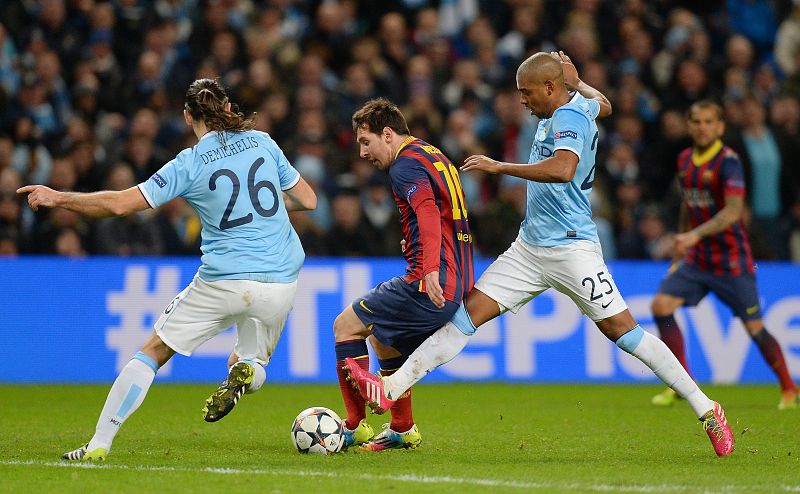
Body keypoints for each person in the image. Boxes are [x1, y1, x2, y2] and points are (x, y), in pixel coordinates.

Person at [345, 52, 735, 457]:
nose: (522, 101)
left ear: (549, 88)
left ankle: (707, 409)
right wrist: (579, 82)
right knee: (465, 316)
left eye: (526, 93)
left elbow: (564, 168)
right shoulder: (577, 103)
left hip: (572, 248)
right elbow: (606, 104)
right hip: (529, 248)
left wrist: (500, 167)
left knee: (624, 332)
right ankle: (392, 386)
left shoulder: (568, 118)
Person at [17, 78, 317, 462]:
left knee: (152, 352)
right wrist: (267, 209)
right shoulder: (264, 142)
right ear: (228, 109)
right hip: (280, 281)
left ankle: (98, 445)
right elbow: (307, 199)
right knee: (252, 362)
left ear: (187, 116)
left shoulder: (189, 163)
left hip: (225, 279)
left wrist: (58, 196)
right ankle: (247, 370)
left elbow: (121, 205)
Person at [334, 98, 473, 451]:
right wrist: (412, 238)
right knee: (384, 340)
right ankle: (402, 428)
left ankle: (354, 425)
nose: (363, 153)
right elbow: (442, 214)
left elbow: (426, 211)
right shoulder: (433, 154)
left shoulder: (403, 167)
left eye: (366, 142)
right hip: (458, 278)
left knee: (345, 326)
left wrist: (428, 269)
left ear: (388, 133)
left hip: (431, 281)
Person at [649, 100, 799, 410]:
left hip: (732, 260)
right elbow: (687, 205)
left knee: (754, 328)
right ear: (689, 126)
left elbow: (734, 212)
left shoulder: (728, 161)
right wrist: (682, 240)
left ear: (720, 127)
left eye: (708, 122)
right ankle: (682, 384)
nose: (702, 127)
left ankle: (788, 387)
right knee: (661, 305)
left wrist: (694, 234)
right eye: (697, 121)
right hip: (697, 259)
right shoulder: (685, 159)